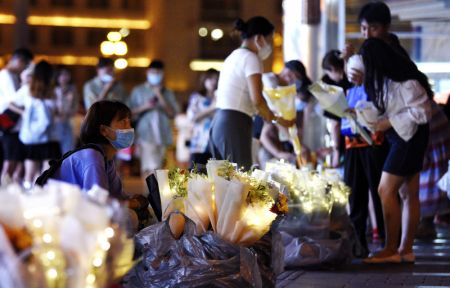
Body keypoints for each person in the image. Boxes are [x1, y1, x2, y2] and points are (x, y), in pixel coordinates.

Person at [359, 38, 432, 264]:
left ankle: (391, 248)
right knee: (407, 194)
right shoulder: (387, 82)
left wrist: (388, 122)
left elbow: (423, 112)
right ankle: (405, 249)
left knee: (386, 189)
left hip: (409, 139)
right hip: (402, 138)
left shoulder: (406, 82)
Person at [209, 16, 294, 170]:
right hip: (234, 123)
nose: (269, 46)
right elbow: (257, 100)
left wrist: (275, 118)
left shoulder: (233, 56)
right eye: (270, 40)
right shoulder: (251, 58)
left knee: (225, 183)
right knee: (240, 181)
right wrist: (276, 119)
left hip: (219, 122)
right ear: (259, 38)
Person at [52, 100, 133, 199]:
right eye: (123, 122)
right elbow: (97, 201)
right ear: (104, 130)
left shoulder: (107, 158)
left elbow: (117, 196)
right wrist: (133, 204)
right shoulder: (93, 157)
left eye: (129, 122)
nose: (129, 128)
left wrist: (132, 201)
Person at [16, 60, 62, 189]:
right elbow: (58, 113)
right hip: (50, 137)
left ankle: (27, 201)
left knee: (29, 176)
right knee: (47, 176)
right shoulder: (54, 92)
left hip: (32, 137)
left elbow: (10, 102)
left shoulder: (28, 89)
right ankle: (43, 201)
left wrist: (23, 113)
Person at [128, 60, 179, 176]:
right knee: (150, 166)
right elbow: (129, 111)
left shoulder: (168, 92)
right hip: (145, 133)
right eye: (153, 72)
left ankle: (152, 193)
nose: (155, 75)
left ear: (162, 74)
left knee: (159, 168)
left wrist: (160, 95)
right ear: (147, 72)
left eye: (158, 73)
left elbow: (173, 113)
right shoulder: (139, 90)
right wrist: (145, 106)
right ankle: (150, 193)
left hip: (163, 133)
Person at [279, 60, 327, 165]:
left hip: (308, 133)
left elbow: (307, 117)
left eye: (292, 76)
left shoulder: (306, 92)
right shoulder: (277, 87)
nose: (288, 78)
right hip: (288, 136)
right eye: (287, 74)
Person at [0, 48, 33, 184]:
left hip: (13, 124)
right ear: (18, 60)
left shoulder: (12, 75)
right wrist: (25, 85)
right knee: (10, 161)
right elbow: (12, 99)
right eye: (25, 65)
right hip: (7, 123)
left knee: (13, 160)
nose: (24, 69)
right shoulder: (5, 75)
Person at [187, 68, 219, 167]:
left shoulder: (220, 97)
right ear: (204, 79)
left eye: (216, 79)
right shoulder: (196, 98)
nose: (213, 82)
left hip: (216, 144)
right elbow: (192, 117)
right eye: (210, 78)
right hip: (199, 145)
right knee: (196, 176)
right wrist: (211, 108)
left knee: (215, 179)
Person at [52, 65, 79, 154]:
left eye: (67, 74)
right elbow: (52, 109)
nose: (64, 77)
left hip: (69, 122)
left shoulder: (72, 89)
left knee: (68, 150)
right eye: (61, 75)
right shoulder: (53, 90)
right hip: (55, 123)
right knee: (54, 151)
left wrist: (67, 112)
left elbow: (75, 107)